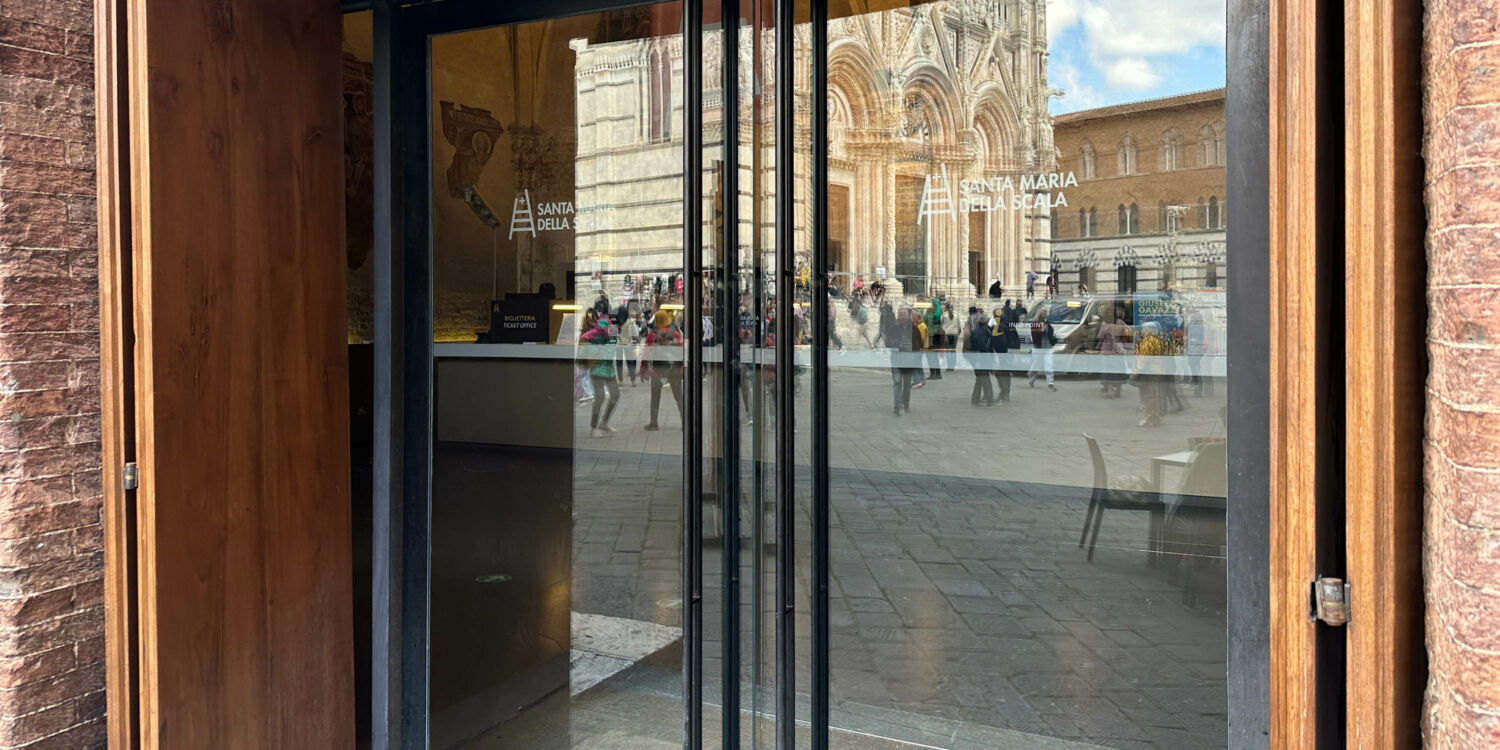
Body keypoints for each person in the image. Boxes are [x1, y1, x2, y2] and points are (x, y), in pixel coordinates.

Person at [642, 309, 684, 430]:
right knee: (679, 397)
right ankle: (685, 422)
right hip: (674, 369)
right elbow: (682, 351)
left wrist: (643, 369)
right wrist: (682, 367)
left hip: (657, 369)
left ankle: (654, 423)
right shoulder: (675, 333)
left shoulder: (652, 335)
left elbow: (646, 353)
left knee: (655, 397)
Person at [578, 317, 620, 436]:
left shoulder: (612, 331)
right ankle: (593, 428)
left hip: (609, 368)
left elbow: (615, 345)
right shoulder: (594, 334)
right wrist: (595, 351)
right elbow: (583, 340)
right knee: (600, 397)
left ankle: (603, 423)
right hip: (597, 368)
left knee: (615, 395)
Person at [889, 307, 918, 415]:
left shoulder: (913, 328)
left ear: (908, 315)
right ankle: (897, 405)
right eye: (900, 314)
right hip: (897, 359)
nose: (902, 316)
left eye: (904, 314)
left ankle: (906, 404)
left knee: (906, 384)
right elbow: (888, 341)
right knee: (897, 382)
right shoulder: (894, 328)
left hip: (909, 360)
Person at [966, 305, 995, 407]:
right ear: (986, 323)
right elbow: (984, 347)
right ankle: (990, 401)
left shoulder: (977, 332)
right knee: (985, 379)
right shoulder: (983, 333)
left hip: (976, 358)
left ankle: (975, 400)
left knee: (980, 379)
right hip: (982, 359)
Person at [1028, 307, 1058, 391]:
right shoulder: (1035, 323)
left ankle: (1050, 384)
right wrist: (1041, 329)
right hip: (1038, 347)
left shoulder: (1047, 323)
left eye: (1046, 313)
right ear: (1040, 313)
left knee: (1049, 365)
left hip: (1048, 347)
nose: (1046, 314)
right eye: (1044, 313)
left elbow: (1050, 333)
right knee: (1035, 365)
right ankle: (1031, 380)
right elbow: (1034, 334)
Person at [988, 307, 1012, 402]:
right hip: (1003, 352)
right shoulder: (1007, 324)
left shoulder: (994, 324)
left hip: (998, 352)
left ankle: (1004, 392)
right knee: (1004, 372)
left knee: (1000, 372)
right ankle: (1005, 392)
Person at [923, 296, 944, 379]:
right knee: (932, 356)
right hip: (929, 335)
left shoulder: (936, 314)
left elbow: (938, 314)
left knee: (932, 356)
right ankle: (936, 373)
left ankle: (934, 374)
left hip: (934, 336)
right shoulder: (928, 313)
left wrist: (936, 302)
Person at [939, 301, 960, 371]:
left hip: (947, 334)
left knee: (948, 350)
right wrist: (958, 332)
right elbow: (959, 325)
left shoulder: (943, 315)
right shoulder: (956, 314)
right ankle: (953, 366)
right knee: (953, 350)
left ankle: (949, 366)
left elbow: (941, 325)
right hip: (955, 334)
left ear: (946, 307)